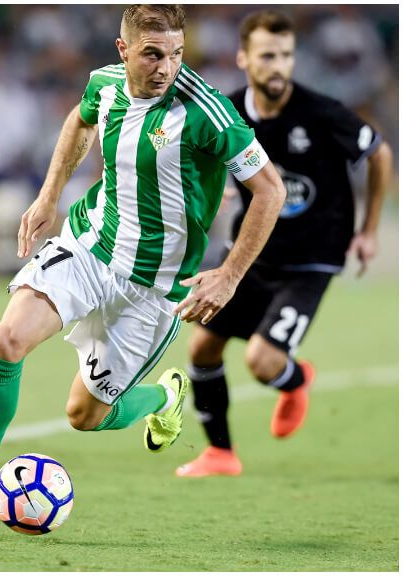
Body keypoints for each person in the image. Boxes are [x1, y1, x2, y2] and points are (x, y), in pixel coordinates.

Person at [0, 4, 288, 536]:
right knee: (5, 341)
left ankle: (165, 396)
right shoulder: (106, 84)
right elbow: (80, 120)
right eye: (153, 54)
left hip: (153, 287)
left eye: (176, 54)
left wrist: (229, 275)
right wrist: (48, 195)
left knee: (84, 416)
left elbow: (270, 190)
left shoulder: (207, 112)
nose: (166, 67)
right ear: (124, 50)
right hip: (90, 246)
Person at [176, 10, 392, 478]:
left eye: (286, 56)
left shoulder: (321, 112)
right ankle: (221, 454)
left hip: (312, 260)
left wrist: (370, 230)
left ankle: (295, 380)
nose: (279, 66)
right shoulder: (228, 112)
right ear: (243, 58)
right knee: (202, 348)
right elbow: (201, 160)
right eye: (267, 56)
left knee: (262, 360)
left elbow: (379, 153)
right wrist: (216, 185)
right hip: (254, 255)